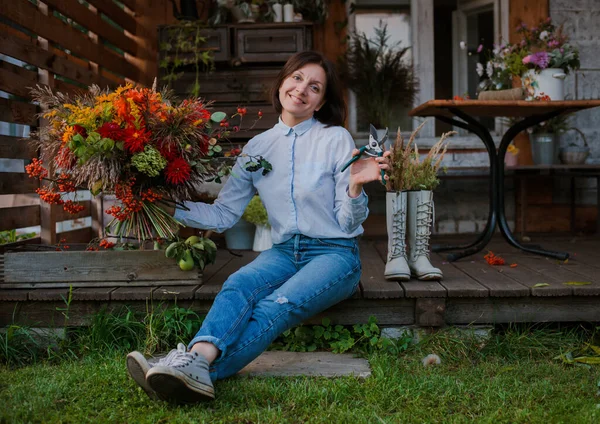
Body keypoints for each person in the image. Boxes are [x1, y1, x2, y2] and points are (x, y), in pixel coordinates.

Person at [126, 50, 391, 405]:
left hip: (334, 254)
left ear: (320, 102)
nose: (301, 90)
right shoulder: (257, 149)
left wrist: (356, 187)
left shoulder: (335, 139)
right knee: (237, 284)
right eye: (297, 78)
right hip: (284, 252)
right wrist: (167, 206)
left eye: (314, 87)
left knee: (274, 306)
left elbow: (347, 220)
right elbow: (223, 215)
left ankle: (196, 371)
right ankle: (192, 362)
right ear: (282, 82)